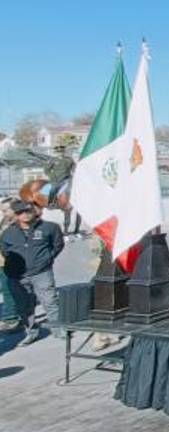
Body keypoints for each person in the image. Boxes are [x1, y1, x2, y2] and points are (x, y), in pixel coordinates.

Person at [1, 199, 64, 346]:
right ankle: (31, 332)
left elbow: (58, 245)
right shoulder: (8, 233)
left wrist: (47, 259)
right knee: (24, 307)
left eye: (28, 211)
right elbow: (5, 251)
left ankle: (59, 330)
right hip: (17, 276)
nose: (25, 215)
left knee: (50, 302)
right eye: (21, 212)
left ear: (33, 211)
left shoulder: (50, 227)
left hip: (41, 273)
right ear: (16, 215)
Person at [45, 144, 80, 236]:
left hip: (67, 179)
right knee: (53, 189)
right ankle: (51, 203)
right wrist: (53, 177)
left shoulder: (69, 160)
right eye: (58, 152)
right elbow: (47, 170)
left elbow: (74, 168)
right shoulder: (52, 160)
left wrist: (75, 172)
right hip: (56, 180)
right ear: (56, 152)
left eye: (62, 151)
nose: (60, 153)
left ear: (64, 152)